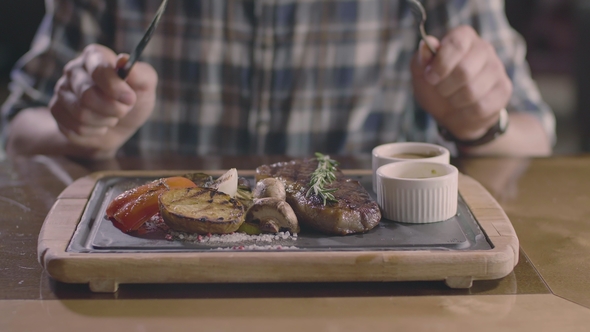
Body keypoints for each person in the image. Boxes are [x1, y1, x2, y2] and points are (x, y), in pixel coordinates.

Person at [1, 0, 555, 160]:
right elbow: (16, 129)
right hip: (145, 292)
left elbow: (535, 132)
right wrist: (83, 128)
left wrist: (480, 123)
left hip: (379, 296)